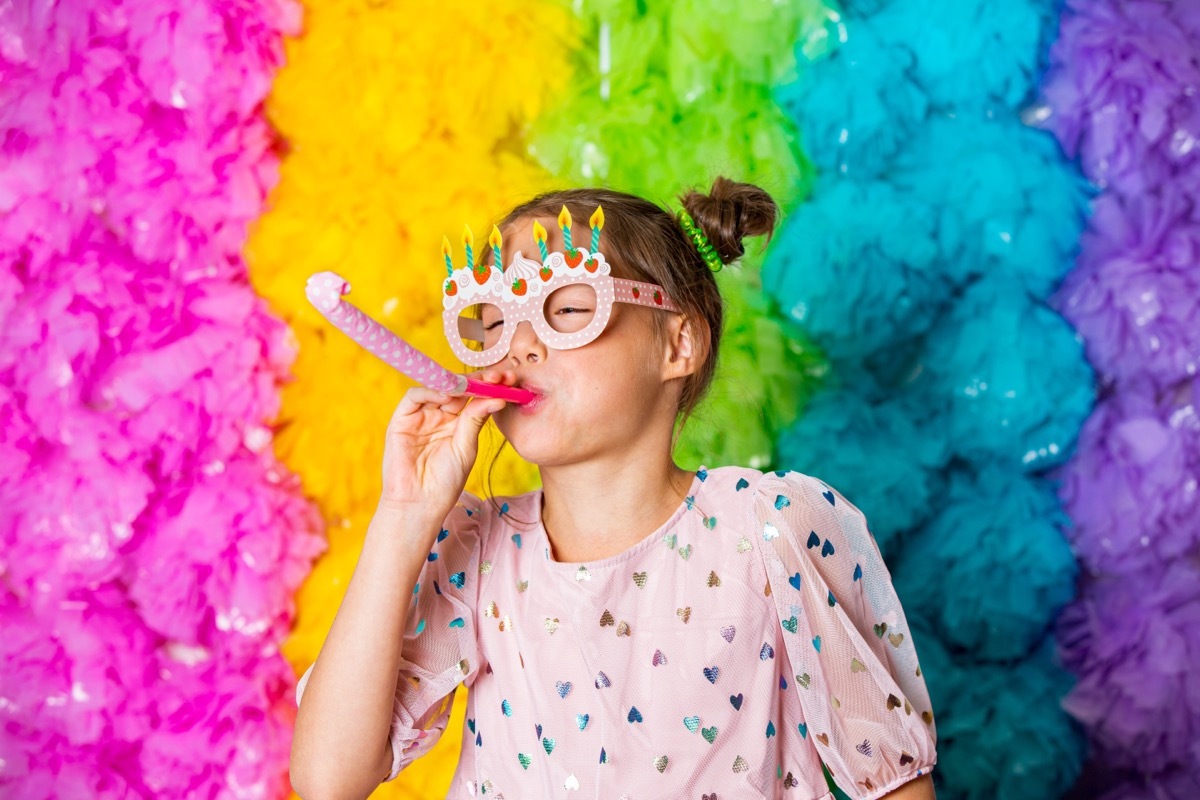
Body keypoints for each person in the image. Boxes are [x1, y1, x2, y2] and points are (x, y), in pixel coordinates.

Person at [289, 178, 938, 800]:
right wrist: (404, 518)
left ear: (678, 344)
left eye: (568, 308)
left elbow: (892, 781)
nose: (519, 346)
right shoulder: (471, 551)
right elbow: (328, 780)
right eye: (492, 320)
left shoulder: (773, 527)